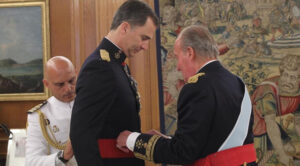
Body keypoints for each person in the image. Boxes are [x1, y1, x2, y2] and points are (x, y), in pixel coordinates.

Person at [117, 25, 257, 166]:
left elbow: (182, 153)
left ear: (190, 52)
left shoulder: (197, 87)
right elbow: (210, 141)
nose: (177, 67)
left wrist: (132, 139)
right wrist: (166, 140)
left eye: (178, 57)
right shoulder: (237, 83)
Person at [69, 1, 159, 166]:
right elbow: (81, 135)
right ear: (125, 28)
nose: (145, 46)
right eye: (144, 38)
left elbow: (113, 126)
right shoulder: (99, 67)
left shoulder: (117, 66)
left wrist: (139, 138)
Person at [26, 56, 77, 166]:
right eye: (60, 84)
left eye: (71, 80)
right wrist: (63, 156)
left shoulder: (92, 103)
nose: (68, 88)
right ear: (46, 84)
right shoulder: (39, 116)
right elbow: (31, 162)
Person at [252, 54, 300, 165]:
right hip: (255, 122)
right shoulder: (268, 90)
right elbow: (270, 123)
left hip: (269, 121)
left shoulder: (298, 92)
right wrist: (281, 154)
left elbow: (298, 122)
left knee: (290, 149)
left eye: (292, 77)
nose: (287, 80)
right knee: (268, 154)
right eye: (285, 75)